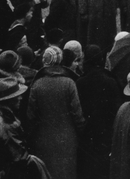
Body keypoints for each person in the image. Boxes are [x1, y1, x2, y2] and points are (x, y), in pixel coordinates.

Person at [27, 45, 85, 179]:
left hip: (43, 138)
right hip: (68, 137)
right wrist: (82, 131)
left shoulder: (37, 85)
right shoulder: (69, 83)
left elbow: (31, 116)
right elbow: (77, 114)